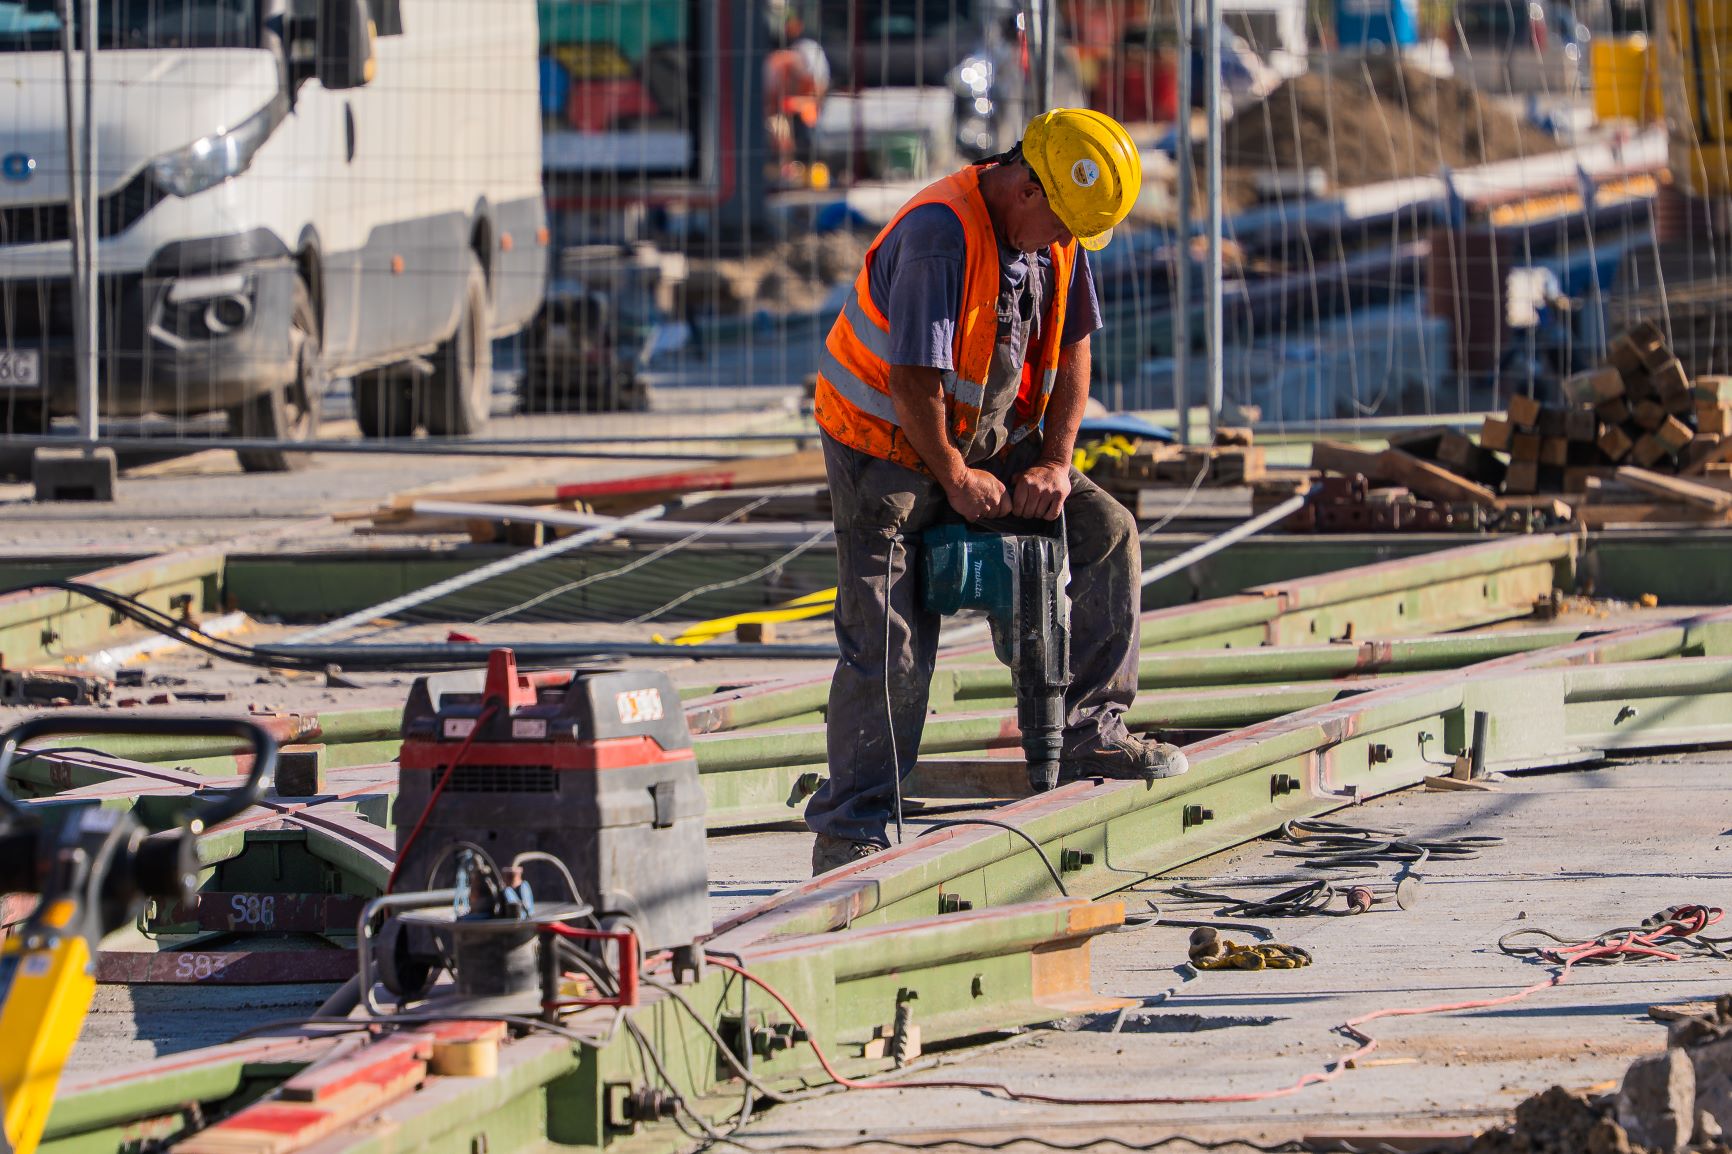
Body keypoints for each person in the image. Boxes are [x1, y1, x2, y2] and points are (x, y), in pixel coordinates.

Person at [807, 107, 1189, 877]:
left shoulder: (1060, 232)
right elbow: (914, 382)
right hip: (885, 444)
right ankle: (854, 824)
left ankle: (1091, 733)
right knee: (891, 632)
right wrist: (953, 477)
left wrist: (1054, 460)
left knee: (1107, 529)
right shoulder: (940, 237)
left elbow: (1074, 348)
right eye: (1058, 225)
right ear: (1025, 189)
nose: (1062, 243)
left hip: (988, 435)